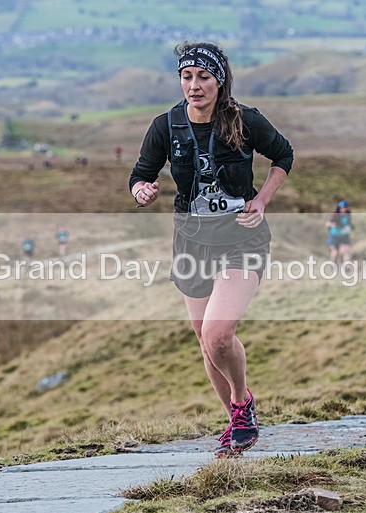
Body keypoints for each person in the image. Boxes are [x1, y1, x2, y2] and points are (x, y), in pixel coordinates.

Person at [129, 41, 293, 457]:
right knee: (205, 339)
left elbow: (283, 155)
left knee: (219, 335)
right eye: (187, 77)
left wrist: (261, 200)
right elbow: (141, 174)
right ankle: (236, 420)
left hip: (241, 239)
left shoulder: (245, 120)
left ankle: (242, 402)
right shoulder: (165, 126)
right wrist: (142, 190)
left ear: (220, 80)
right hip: (191, 241)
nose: (194, 85)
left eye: (203, 77)